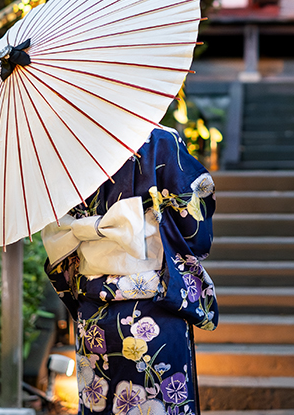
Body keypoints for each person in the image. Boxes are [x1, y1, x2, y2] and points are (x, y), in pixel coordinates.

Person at [44, 125, 217, 415]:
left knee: (102, 405)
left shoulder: (64, 150)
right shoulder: (159, 140)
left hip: (93, 312)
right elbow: (194, 225)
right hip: (154, 307)